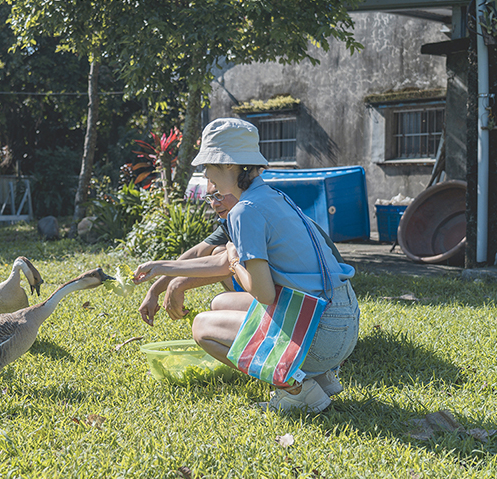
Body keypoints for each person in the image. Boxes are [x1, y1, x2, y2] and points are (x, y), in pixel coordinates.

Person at [133, 118, 359, 413]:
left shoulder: (243, 211)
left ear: (229, 165)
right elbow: (225, 263)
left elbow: (262, 292)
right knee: (222, 301)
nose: (206, 174)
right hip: (343, 320)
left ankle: (298, 389)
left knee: (202, 326)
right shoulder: (271, 197)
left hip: (321, 332)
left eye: (208, 165)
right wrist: (164, 268)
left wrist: (234, 258)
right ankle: (319, 377)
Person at [138, 181, 239, 326]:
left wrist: (179, 284)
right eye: (210, 197)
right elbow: (197, 252)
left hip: (273, 295)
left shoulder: (251, 214)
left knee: (217, 307)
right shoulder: (230, 220)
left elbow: (227, 265)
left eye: (219, 195)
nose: (214, 204)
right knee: (219, 251)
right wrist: (154, 291)